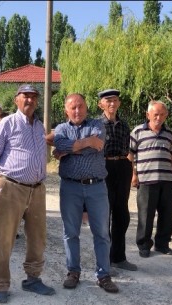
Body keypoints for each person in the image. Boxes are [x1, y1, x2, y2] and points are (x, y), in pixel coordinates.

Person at [0, 84, 55, 303]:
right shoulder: (7, 123)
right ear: (17, 99)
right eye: (26, 96)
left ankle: (33, 279)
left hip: (37, 189)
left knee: (37, 238)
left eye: (34, 97)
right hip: (12, 187)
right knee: (4, 238)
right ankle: (0, 284)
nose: (30, 100)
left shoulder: (39, 127)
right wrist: (0, 185)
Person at [52, 93, 118, 293]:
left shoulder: (97, 125)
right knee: (70, 232)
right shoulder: (62, 129)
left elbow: (97, 145)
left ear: (86, 107)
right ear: (66, 110)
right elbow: (59, 145)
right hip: (70, 186)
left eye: (80, 106)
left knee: (102, 233)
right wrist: (84, 143)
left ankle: (103, 275)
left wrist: (69, 149)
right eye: (72, 107)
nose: (77, 111)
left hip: (97, 187)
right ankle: (73, 272)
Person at [129, 100, 172, 258]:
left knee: (167, 213)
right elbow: (130, 155)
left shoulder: (169, 133)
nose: (159, 117)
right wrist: (134, 174)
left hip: (166, 179)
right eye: (156, 114)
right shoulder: (137, 132)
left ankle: (162, 244)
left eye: (163, 114)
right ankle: (144, 245)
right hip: (146, 180)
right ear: (148, 115)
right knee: (146, 214)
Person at [97, 89, 137, 272]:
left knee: (122, 215)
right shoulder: (96, 125)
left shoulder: (124, 125)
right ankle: (104, 259)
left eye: (115, 100)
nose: (112, 104)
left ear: (119, 103)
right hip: (104, 168)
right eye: (108, 101)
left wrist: (132, 169)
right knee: (105, 213)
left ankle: (119, 257)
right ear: (101, 104)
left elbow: (128, 149)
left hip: (122, 168)